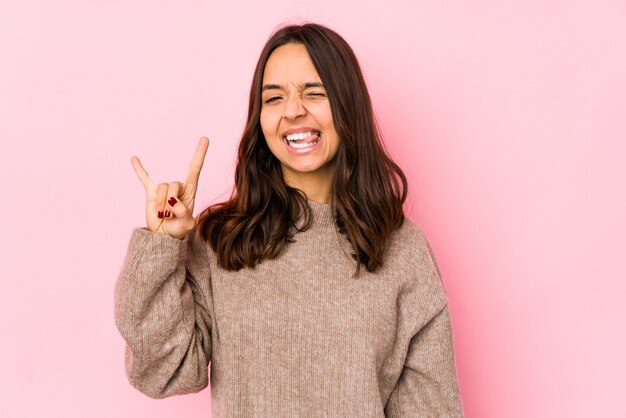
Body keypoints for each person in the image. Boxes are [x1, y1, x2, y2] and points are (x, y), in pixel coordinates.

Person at [114, 22, 464, 417]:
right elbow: (163, 372)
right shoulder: (223, 238)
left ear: (348, 104)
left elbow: (431, 410)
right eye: (274, 97)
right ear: (260, 119)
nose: (294, 110)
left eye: (314, 92)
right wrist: (162, 245)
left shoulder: (401, 246)